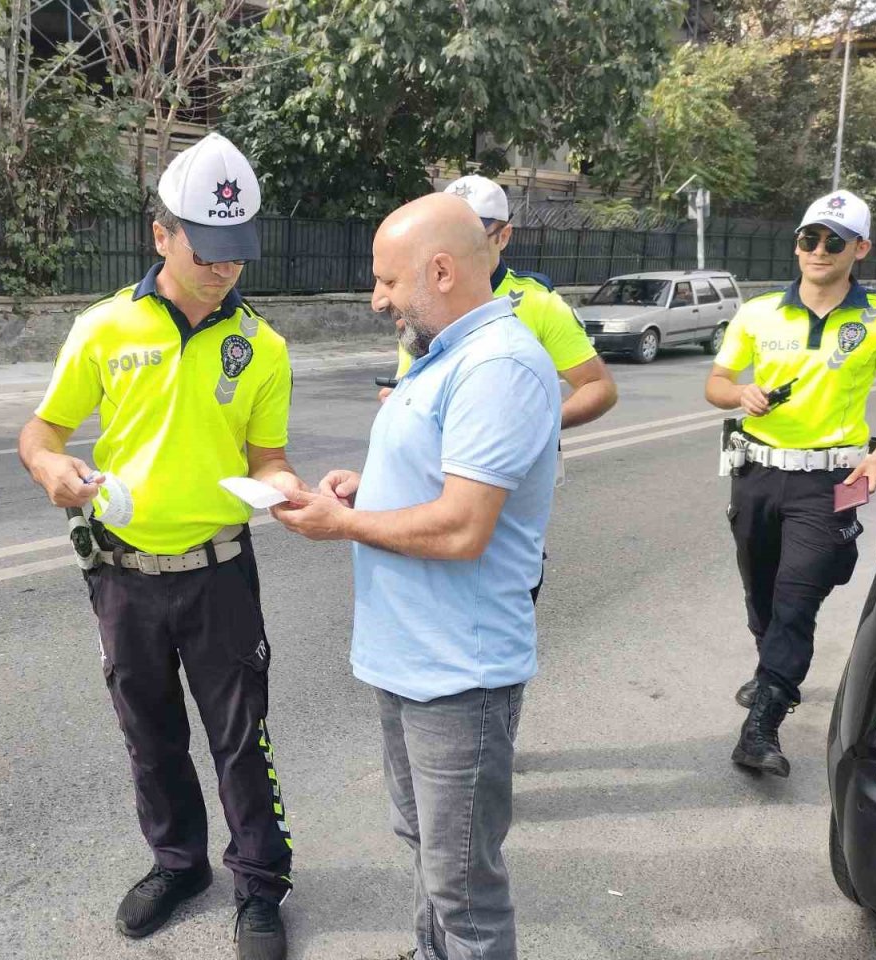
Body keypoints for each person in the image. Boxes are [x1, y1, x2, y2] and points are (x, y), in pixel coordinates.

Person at [17, 132, 301, 960]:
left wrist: (292, 492)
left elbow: (270, 460)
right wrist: (51, 471)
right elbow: (40, 433)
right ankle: (179, 865)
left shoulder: (264, 347)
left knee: (242, 738)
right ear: (161, 235)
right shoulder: (104, 328)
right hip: (123, 574)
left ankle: (259, 884)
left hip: (219, 574)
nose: (223, 271)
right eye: (207, 252)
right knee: (150, 734)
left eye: (236, 255)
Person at [273, 192, 561, 960]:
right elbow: (434, 485)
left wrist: (342, 525)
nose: (377, 299)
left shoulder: (498, 365)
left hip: (457, 673)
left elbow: (464, 526)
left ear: (439, 271)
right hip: (410, 660)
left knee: (464, 885)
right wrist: (363, 490)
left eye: (388, 282)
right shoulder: (444, 359)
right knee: (426, 848)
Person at [706, 189, 876, 778]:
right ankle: (769, 666)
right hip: (754, 471)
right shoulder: (758, 313)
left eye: (834, 240)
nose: (819, 250)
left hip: (830, 479)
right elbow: (717, 383)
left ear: (860, 248)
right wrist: (738, 393)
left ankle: (764, 722)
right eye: (809, 238)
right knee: (762, 591)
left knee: (799, 596)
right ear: (796, 245)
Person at [386, 175, 617, 430]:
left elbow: (598, 386)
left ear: (503, 236)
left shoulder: (538, 303)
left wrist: (535, 427)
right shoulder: (422, 301)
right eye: (446, 237)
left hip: (510, 466)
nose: (456, 249)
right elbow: (409, 382)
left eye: (474, 237)